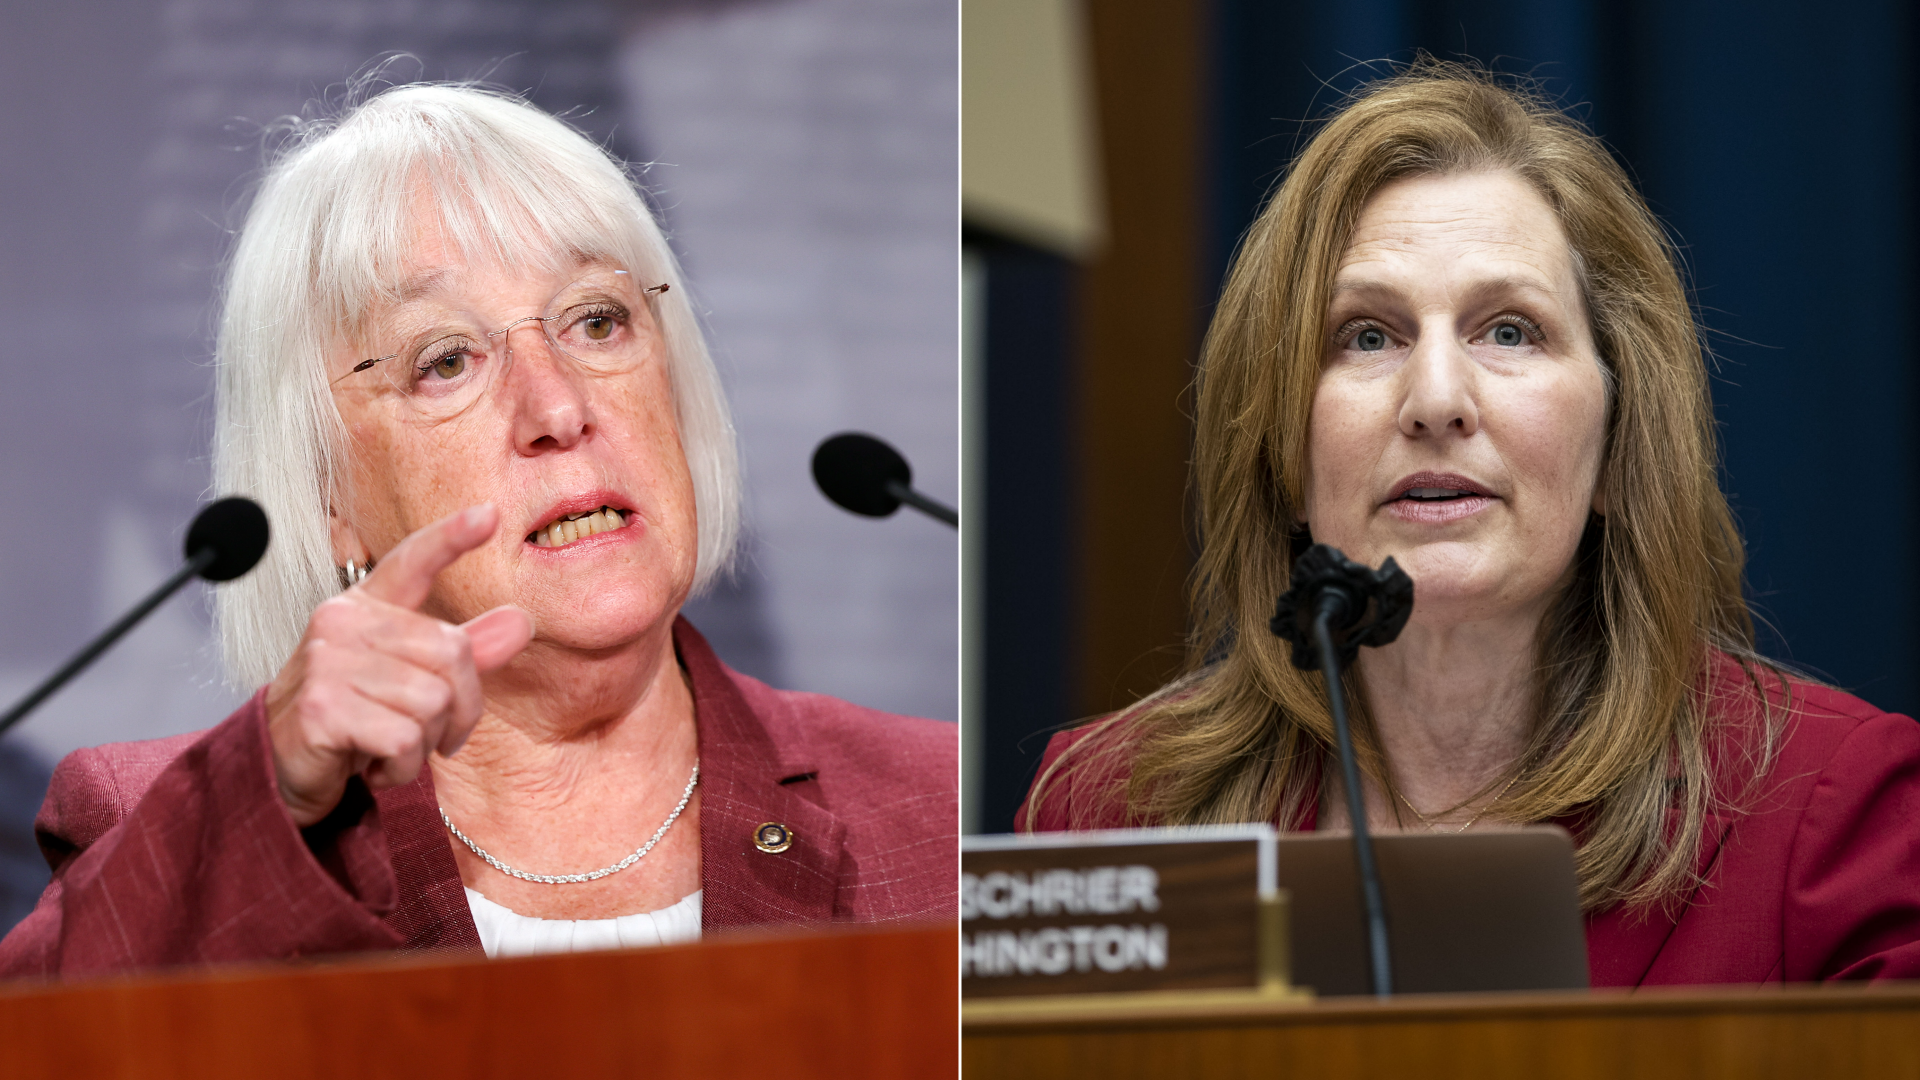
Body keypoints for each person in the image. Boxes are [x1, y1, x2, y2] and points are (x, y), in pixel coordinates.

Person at [0, 82, 955, 976]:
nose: (559, 407)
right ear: (329, 496)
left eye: (595, 320)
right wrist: (264, 812)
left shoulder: (941, 808)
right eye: (446, 360)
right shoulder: (173, 834)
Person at [1021, 62, 1920, 986]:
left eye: (1509, 331)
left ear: (1617, 442)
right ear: (1283, 454)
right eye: (1367, 335)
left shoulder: (1837, 813)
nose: (1438, 400)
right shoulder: (1109, 813)